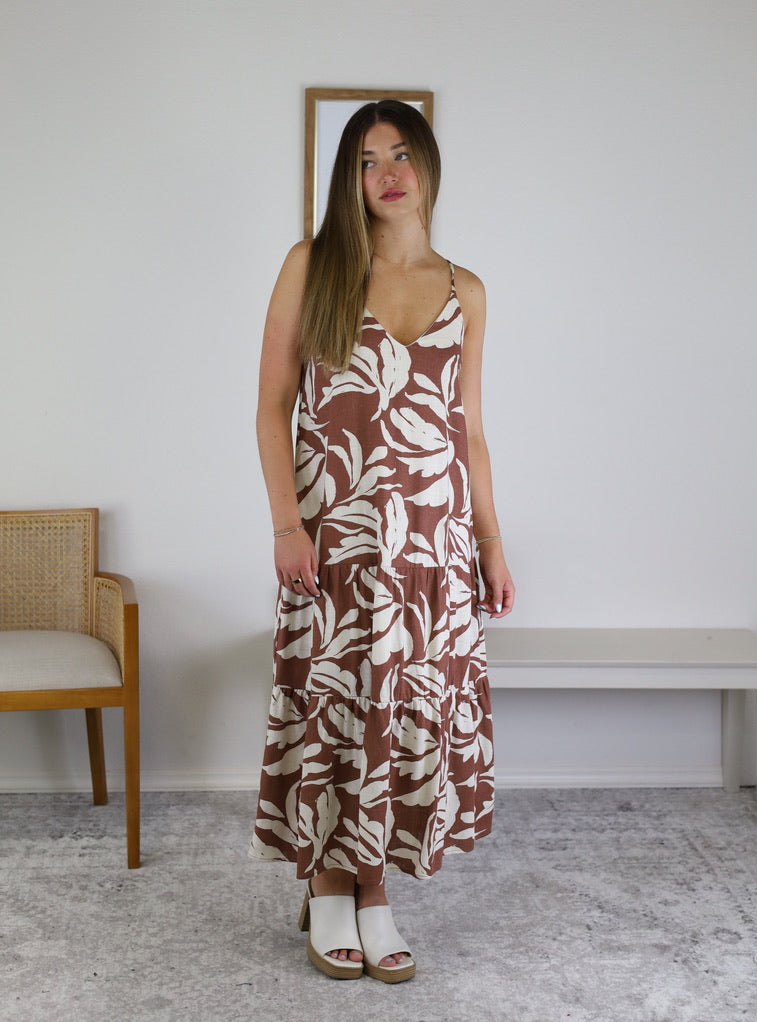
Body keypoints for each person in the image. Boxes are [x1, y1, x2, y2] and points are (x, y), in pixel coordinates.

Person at [249, 99, 514, 983]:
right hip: (335, 536)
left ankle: (372, 889)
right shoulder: (315, 264)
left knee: (402, 709)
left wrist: (490, 542)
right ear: (349, 179)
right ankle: (329, 883)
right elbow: (271, 407)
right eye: (367, 161)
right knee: (336, 702)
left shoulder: (465, 290)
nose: (387, 174)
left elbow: (468, 429)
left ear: (428, 164)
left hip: (432, 545)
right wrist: (286, 523)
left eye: (400, 154)